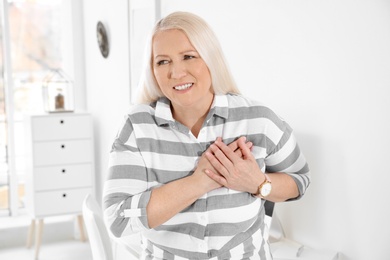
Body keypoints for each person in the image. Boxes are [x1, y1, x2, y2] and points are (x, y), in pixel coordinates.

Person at [103, 11, 310, 260]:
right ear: (152, 70)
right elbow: (117, 219)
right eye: (162, 61)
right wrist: (199, 181)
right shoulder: (137, 126)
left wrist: (257, 183)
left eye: (188, 56)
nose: (176, 73)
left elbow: (299, 181)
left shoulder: (258, 119)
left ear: (211, 58)